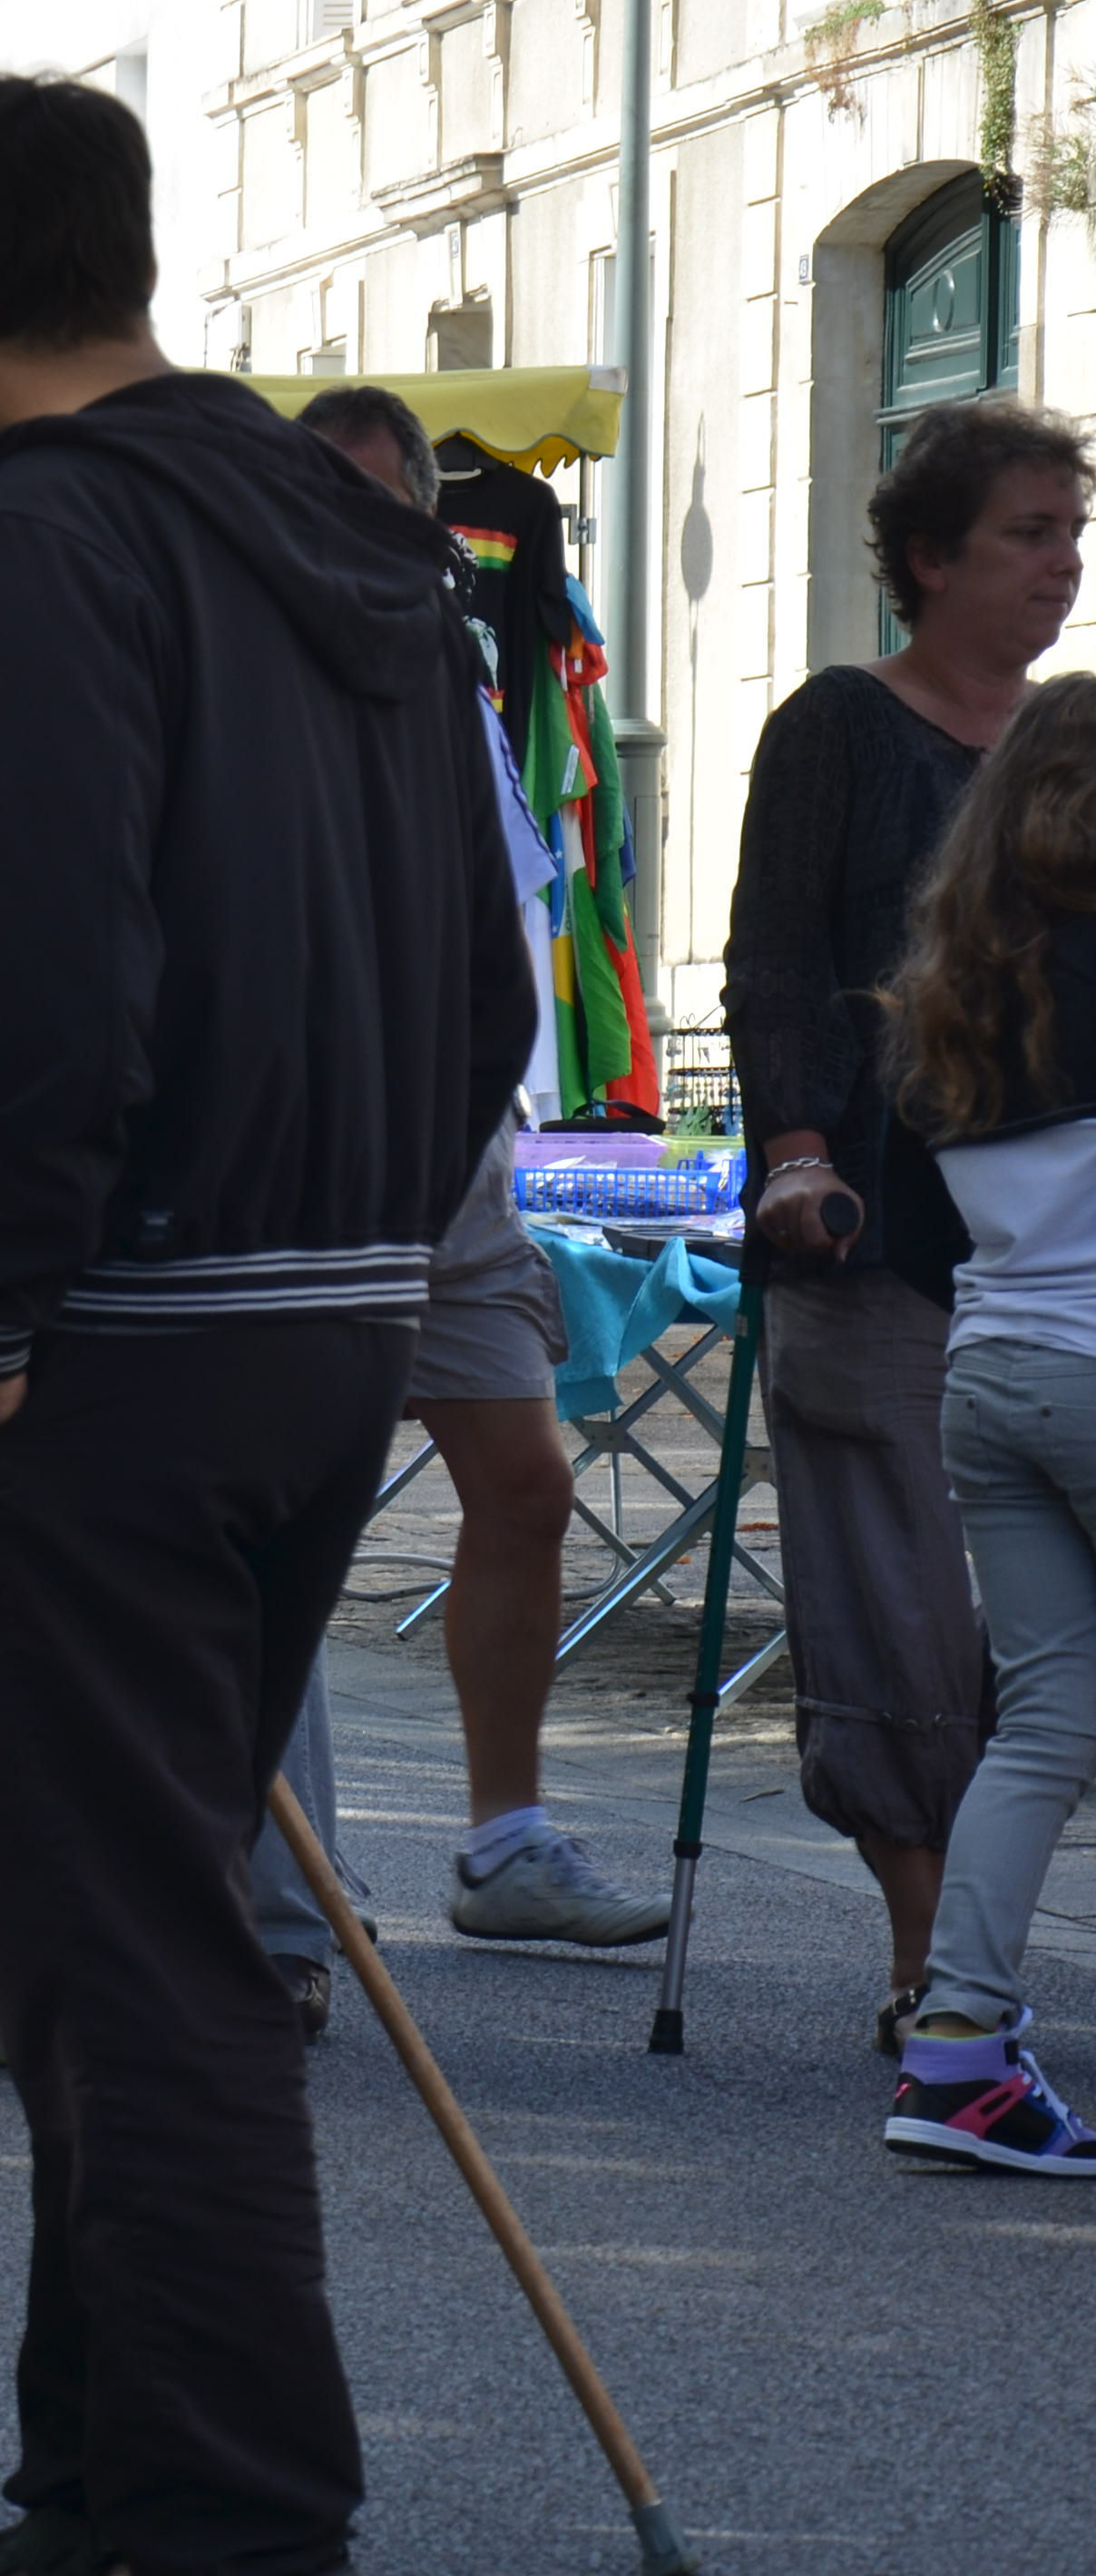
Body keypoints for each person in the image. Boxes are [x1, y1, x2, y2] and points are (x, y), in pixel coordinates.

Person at [0, 74, 527, 2576]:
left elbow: (48, 956)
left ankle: (219, 2504)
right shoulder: (335, 521)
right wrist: (367, 1225)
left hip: (121, 1325)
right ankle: (110, 2469)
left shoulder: (49, 520)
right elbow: (485, 976)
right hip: (321, 1307)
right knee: (131, 1914)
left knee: (127, 1956)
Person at [286, 383, 666, 1971]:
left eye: (383, 501)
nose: (358, 529)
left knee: (524, 1480)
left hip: (446, 1151)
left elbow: (506, 900)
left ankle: (501, 1837)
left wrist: (491, 1101)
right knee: (275, 1513)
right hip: (294, 1153)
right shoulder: (232, 657)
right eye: (329, 496)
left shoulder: (441, 661)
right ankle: (259, 1865)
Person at [729, 392, 1084, 2051]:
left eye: (1070, 536)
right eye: (1028, 533)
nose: (1060, 566)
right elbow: (776, 959)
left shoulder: (1065, 750)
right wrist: (792, 1147)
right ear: (927, 556)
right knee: (899, 1603)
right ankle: (921, 1953)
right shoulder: (835, 728)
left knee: (1032, 1639)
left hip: (1044, 1247)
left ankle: (974, 1969)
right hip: (868, 1223)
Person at [874, 673, 1096, 2170]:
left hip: (991, 1368)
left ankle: (954, 2048)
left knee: (1042, 1721)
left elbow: (904, 1234)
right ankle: (956, 2054)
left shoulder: (948, 989)